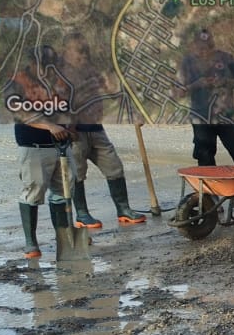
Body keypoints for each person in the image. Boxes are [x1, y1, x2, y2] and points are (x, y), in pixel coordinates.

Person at [60, 35, 146, 228]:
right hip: (74, 133)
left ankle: (123, 209)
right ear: (66, 52)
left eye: (85, 51)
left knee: (114, 165)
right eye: (78, 51)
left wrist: (133, 112)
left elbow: (111, 92)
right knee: (77, 173)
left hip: (96, 128)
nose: (83, 55)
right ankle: (82, 214)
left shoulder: (92, 72)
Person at [8, 45, 74, 258]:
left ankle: (64, 237)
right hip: (34, 146)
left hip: (61, 146)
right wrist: (50, 126)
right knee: (34, 191)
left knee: (63, 191)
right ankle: (31, 242)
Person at [178, 28, 234, 167]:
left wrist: (224, 81)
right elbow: (179, 92)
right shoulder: (187, 63)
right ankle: (207, 189)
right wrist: (197, 84)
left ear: (213, 43)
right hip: (201, 117)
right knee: (205, 157)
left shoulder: (226, 58)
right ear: (194, 45)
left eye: (209, 46)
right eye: (201, 47)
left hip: (226, 116)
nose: (205, 51)